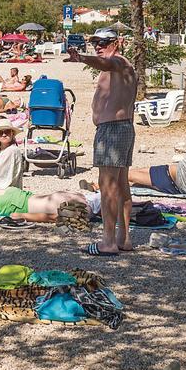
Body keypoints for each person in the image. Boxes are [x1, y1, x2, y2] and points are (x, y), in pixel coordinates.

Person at [65, 28, 139, 255]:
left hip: (112, 130)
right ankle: (123, 239)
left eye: (104, 42)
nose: (98, 46)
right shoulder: (120, 66)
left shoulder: (119, 62)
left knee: (108, 185)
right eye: (95, 42)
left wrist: (81, 58)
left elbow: (106, 63)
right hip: (121, 128)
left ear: (116, 43)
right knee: (122, 184)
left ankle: (108, 242)